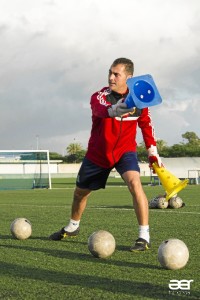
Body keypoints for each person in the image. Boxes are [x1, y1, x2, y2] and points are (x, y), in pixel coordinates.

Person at [49, 57, 162, 251]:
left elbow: (146, 126)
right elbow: (101, 110)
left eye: (116, 74)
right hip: (98, 154)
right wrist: (119, 109)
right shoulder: (99, 96)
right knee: (80, 193)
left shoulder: (140, 100)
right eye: (110, 72)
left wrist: (153, 153)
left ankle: (144, 237)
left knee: (135, 184)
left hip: (125, 152)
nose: (111, 77)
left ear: (128, 77)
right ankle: (73, 226)